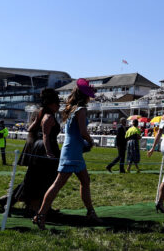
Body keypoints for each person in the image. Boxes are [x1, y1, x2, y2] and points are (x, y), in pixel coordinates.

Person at [34, 79, 101, 230]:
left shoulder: (73, 109)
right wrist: (90, 142)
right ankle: (40, 215)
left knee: (85, 180)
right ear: (85, 96)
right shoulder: (81, 110)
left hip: (72, 150)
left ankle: (90, 212)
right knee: (58, 184)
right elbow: (83, 132)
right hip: (73, 153)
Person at [8, 89, 61, 216]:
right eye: (57, 104)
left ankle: (34, 205)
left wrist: (37, 121)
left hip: (39, 147)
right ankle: (34, 207)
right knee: (41, 179)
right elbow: (45, 136)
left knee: (34, 178)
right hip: (44, 147)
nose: (59, 106)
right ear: (50, 104)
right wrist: (48, 152)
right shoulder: (47, 115)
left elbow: (30, 129)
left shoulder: (41, 113)